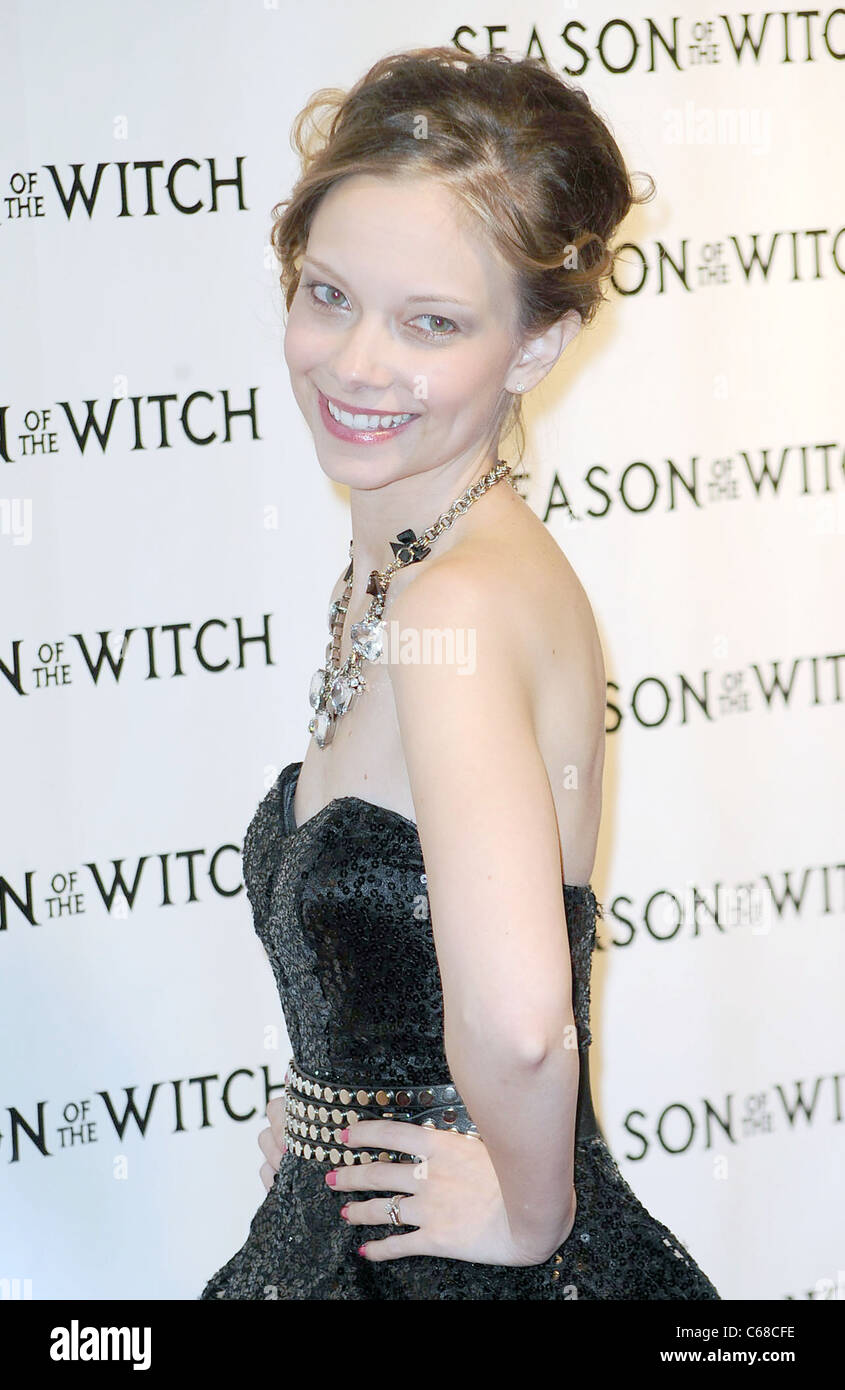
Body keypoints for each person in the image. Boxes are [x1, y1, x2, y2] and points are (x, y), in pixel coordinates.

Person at [199, 45, 720, 1300]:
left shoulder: (458, 600)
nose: (356, 362)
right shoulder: (405, 563)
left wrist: (531, 1216)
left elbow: (518, 1025)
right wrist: (327, 1118)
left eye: (430, 322)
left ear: (536, 346)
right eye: (328, 295)